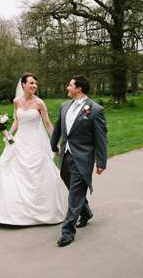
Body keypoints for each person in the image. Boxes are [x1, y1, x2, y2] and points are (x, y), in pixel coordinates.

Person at [0, 73, 68, 225]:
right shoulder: (16, 101)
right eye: (31, 83)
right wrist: (9, 133)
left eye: (36, 83)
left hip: (36, 142)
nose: (34, 86)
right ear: (23, 84)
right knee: (12, 172)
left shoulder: (40, 103)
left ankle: (44, 211)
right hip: (20, 140)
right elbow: (17, 119)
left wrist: (55, 142)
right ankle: (11, 214)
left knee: (38, 173)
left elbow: (48, 124)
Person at [50, 75, 107, 247]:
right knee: (72, 187)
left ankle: (68, 232)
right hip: (66, 156)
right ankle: (86, 212)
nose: (67, 88)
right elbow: (58, 128)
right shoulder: (64, 105)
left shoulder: (96, 110)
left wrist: (101, 162)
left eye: (70, 85)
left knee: (75, 195)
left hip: (83, 159)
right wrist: (54, 146)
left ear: (79, 88)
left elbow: (101, 138)